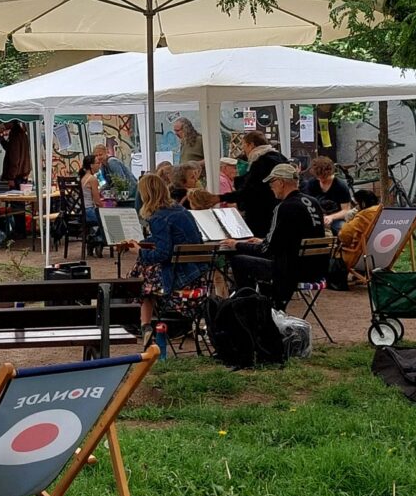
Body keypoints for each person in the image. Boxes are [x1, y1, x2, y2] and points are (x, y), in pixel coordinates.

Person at [223, 163, 325, 309]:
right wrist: (263, 241)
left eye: (272, 182)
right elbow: (293, 238)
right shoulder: (313, 202)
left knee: (239, 261)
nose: (271, 187)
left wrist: (237, 244)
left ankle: (250, 307)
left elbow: (267, 250)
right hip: (316, 269)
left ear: (281, 182)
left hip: (290, 272)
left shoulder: (284, 207)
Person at [118, 176, 205, 346]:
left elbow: (162, 254)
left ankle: (145, 326)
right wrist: (145, 244)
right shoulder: (181, 211)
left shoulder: (158, 217)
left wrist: (139, 251)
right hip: (198, 275)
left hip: (179, 281)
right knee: (144, 271)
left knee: (141, 274)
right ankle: (146, 326)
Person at [218, 131, 288, 237]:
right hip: (279, 213)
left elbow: (249, 191)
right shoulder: (281, 158)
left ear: (251, 145)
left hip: (261, 216)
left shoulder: (260, 162)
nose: (243, 150)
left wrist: (220, 198)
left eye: (244, 145)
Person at [335, 189, 383, 287]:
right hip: (383, 254)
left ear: (363, 203)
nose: (355, 207)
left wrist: (349, 221)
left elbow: (343, 236)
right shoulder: (383, 213)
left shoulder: (362, 217)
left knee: (335, 248)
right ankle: (361, 273)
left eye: (356, 204)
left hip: (359, 256)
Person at [303, 156, 353, 234]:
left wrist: (331, 217)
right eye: (318, 177)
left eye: (324, 177)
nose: (321, 180)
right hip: (316, 218)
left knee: (344, 230)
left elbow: (346, 210)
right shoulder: (312, 183)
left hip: (336, 219)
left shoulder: (340, 186)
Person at [0, 121, 31, 189]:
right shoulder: (22, 134)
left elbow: (14, 158)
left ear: (11, 122)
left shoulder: (15, 135)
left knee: (15, 197)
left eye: (5, 122)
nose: (4, 124)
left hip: (16, 176)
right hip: (23, 173)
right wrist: (1, 139)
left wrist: (11, 177)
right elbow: (10, 149)